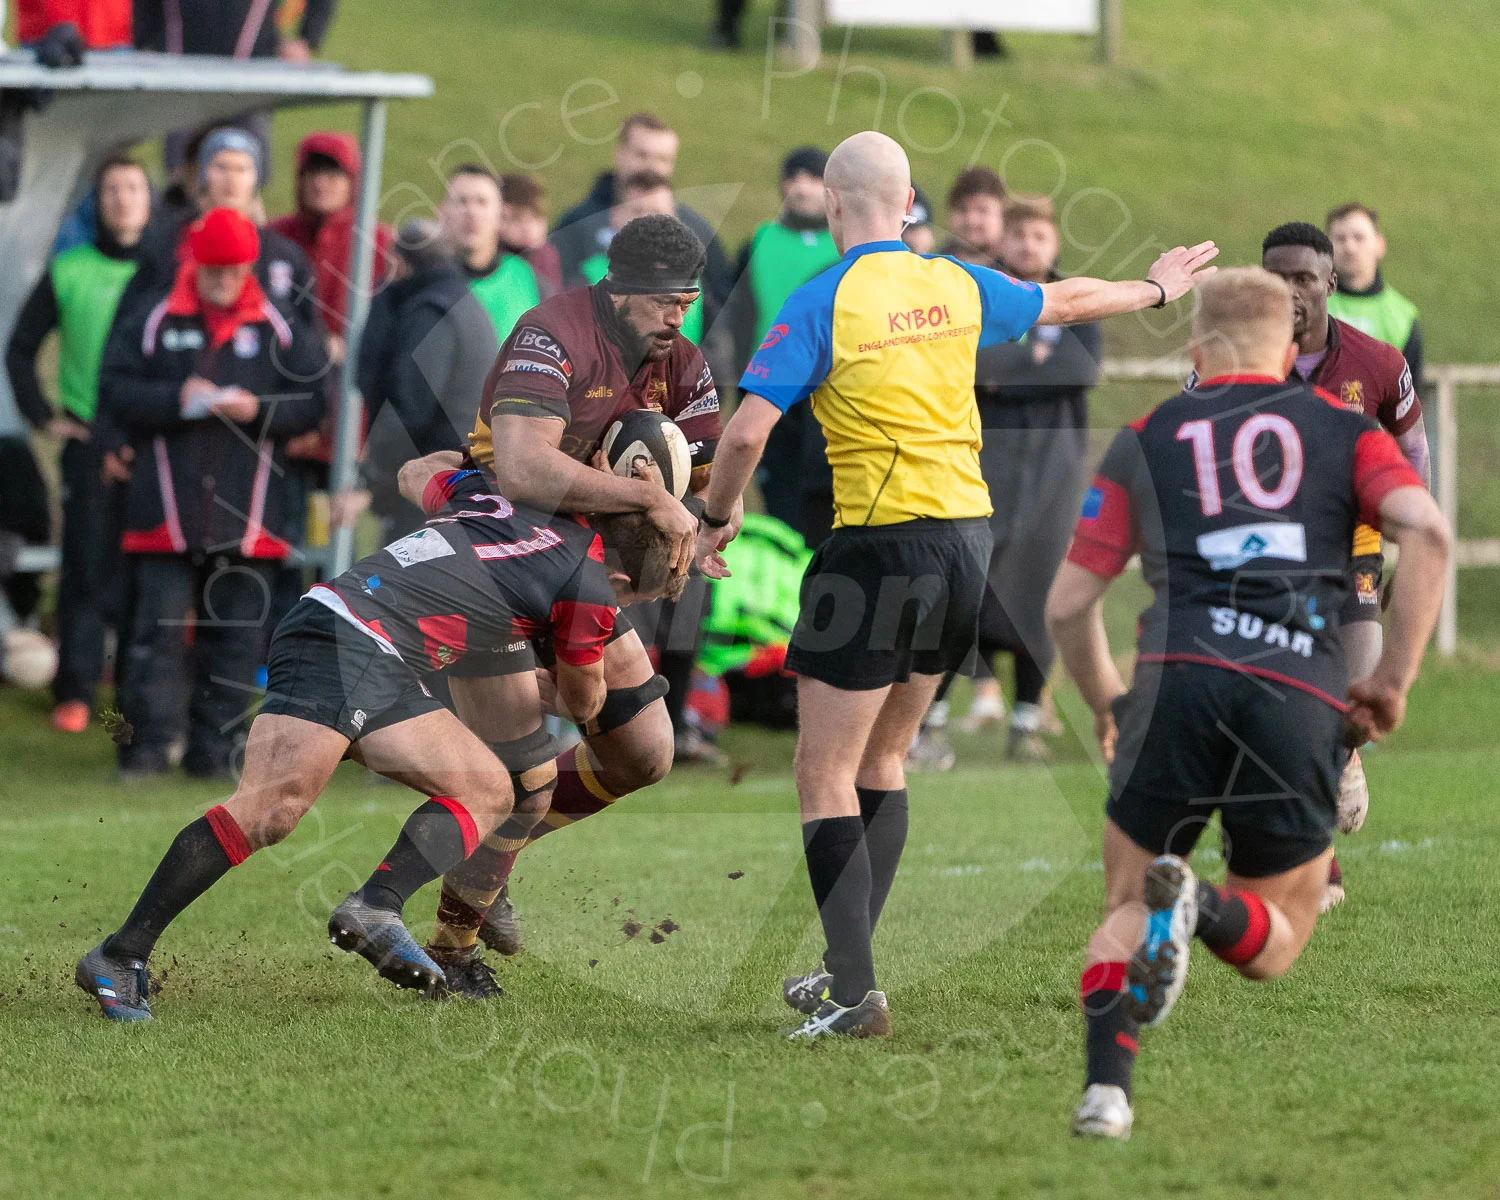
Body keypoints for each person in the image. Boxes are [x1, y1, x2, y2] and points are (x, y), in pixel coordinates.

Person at [693, 129, 1218, 1040]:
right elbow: (1065, 299)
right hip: (963, 546)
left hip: (875, 548)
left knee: (823, 771)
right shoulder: (955, 282)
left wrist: (714, 516)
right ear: (907, 208)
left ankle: (855, 988)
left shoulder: (823, 297)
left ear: (827, 205)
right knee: (884, 760)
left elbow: (742, 436)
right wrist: (1157, 287)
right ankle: (842, 971)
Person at [1047, 267, 1448, 1139]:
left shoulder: (1149, 434)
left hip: (1173, 682)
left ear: (1195, 349)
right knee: (1280, 939)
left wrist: (1109, 698)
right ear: (1293, 348)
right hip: (1294, 691)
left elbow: (1069, 604)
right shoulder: (1345, 431)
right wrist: (1392, 680)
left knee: (1124, 900)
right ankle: (1199, 906)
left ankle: (1106, 1094)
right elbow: (1430, 532)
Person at [75, 468, 685, 1020]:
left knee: (488, 789)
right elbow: (583, 706)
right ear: (622, 579)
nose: (622, 611)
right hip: (346, 641)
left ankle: (375, 907)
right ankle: (120, 956)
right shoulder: (591, 586)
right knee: (269, 811)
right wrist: (594, 681)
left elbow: (417, 471)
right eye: (635, 600)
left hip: (378, 648)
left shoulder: (500, 498)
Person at [405, 213, 723, 983]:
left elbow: (700, 476)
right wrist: (646, 503)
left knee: (645, 753)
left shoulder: (679, 359)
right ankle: (451, 948)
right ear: (616, 289)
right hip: (497, 560)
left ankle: (487, 859)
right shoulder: (551, 334)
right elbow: (523, 468)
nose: (676, 319)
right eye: (662, 302)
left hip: (577, 573)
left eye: (687, 302)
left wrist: (699, 530)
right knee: (525, 777)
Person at [100, 208, 329, 780]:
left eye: (233, 271)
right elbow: (114, 389)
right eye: (213, 270)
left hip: (249, 516)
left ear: (250, 266)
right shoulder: (153, 317)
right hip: (165, 511)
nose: (224, 281)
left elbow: (314, 401)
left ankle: (217, 757)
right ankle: (143, 753)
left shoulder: (278, 326)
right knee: (153, 636)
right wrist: (178, 397)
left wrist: (259, 412)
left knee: (235, 642)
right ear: (193, 264)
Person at [1248, 222, 1431, 910]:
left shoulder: (1379, 362)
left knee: (1357, 695)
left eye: (1303, 277)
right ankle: (1315, 862)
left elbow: (1414, 458)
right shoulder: (1233, 359)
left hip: (1352, 551)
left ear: (1330, 281)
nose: (1290, 290)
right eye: (1276, 277)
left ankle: (1345, 752)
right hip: (1263, 560)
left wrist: (1416, 531)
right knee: (1280, 705)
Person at [6, 155, 151, 733]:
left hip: (150, 443)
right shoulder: (70, 269)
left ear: (149, 199)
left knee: (148, 568)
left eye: (133, 187)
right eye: (112, 188)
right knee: (86, 565)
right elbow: (19, 348)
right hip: (88, 439)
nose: (122, 199)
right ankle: (76, 691)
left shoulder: (167, 270)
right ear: (98, 201)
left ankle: (140, 694)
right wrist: (46, 418)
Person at [958, 195, 1103, 757]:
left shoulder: (1080, 304)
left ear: (1055, 244)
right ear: (1003, 242)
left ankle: (1025, 723)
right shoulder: (981, 300)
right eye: (1018, 236)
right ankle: (933, 719)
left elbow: (1080, 369)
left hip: (1054, 476)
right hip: (983, 467)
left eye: (1039, 236)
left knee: (1038, 594)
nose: (1028, 246)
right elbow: (974, 365)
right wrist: (1033, 366)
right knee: (967, 590)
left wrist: (1010, 373)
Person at [356, 219, 498, 537]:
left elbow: (409, 407)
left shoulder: (429, 312)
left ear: (401, 262)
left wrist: (369, 477)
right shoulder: (461, 303)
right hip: (463, 486)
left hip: (434, 491)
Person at [551, 113, 733, 320]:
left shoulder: (696, 231)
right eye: (642, 155)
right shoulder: (579, 224)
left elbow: (722, 306)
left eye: (662, 159)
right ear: (618, 155)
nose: (652, 168)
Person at [269, 131, 396, 356]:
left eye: (332, 174)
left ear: (352, 182)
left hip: (352, 370)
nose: (319, 183)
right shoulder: (275, 236)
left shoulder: (379, 242)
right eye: (312, 173)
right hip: (283, 362)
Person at [568, 172, 707, 345]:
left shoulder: (694, 281)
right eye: (637, 211)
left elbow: (715, 350)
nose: (649, 223)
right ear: (615, 216)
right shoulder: (587, 279)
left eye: (658, 213)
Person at [1326, 202, 1423, 391]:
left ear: (1380, 245)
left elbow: (1411, 398)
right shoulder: (1311, 307)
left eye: (1359, 237)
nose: (1350, 247)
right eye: (1340, 238)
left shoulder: (1403, 316)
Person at [441, 165, 542, 344]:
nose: (472, 212)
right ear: (441, 212)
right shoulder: (418, 280)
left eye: (482, 202)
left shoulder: (531, 282)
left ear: (500, 217)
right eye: (462, 201)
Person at [499, 174, 563, 298]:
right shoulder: (492, 260)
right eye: (516, 219)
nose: (528, 228)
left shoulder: (547, 256)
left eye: (536, 218)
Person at [943, 166, 1007, 265]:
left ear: (1003, 215)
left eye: (982, 210)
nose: (971, 220)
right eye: (962, 209)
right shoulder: (935, 266)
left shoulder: (1018, 275)